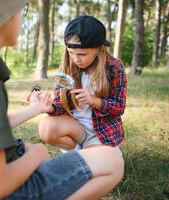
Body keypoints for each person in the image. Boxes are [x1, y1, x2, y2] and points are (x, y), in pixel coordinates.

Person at [0, 1, 124, 199]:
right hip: (4, 189)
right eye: (19, 10)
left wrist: (36, 109)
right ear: (1, 19)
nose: (22, 16)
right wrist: (38, 153)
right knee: (114, 161)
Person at [38, 15, 127, 154]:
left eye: (82, 54)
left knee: (103, 165)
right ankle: (78, 153)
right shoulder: (67, 68)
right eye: (71, 53)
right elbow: (60, 105)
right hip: (75, 130)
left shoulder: (114, 67)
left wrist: (94, 101)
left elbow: (119, 107)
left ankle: (92, 154)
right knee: (46, 128)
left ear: (99, 49)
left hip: (101, 133)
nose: (75, 59)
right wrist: (48, 107)